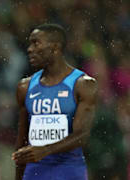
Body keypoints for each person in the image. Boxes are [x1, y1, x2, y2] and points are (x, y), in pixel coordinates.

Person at [12, 24, 98, 180]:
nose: (30, 49)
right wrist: (18, 176)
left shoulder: (83, 84)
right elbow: (22, 140)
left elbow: (82, 135)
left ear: (55, 47)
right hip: (35, 170)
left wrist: (45, 150)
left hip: (69, 168)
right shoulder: (25, 87)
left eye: (36, 43)